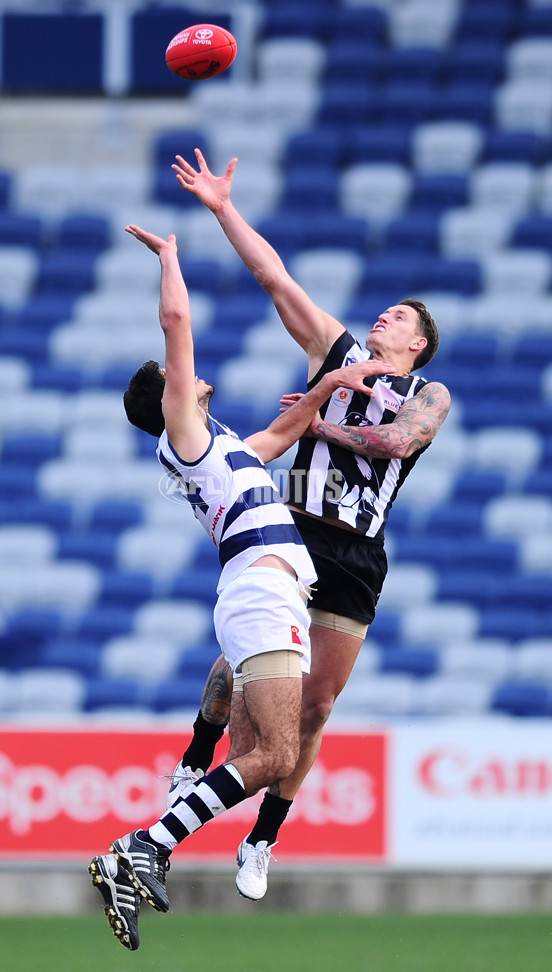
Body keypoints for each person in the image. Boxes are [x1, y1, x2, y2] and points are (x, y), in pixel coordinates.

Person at [88, 223, 393, 951]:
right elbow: (177, 321)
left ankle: (151, 842)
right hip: (263, 589)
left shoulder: (222, 448)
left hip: (261, 593)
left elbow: (284, 433)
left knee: (264, 753)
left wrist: (329, 385)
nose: (189, 372)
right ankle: (144, 845)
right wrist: (169, 258)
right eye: (176, 376)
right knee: (276, 756)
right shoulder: (186, 430)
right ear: (167, 398)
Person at [165, 148, 452, 901]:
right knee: (248, 661)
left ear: (417, 343)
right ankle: (194, 757)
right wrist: (224, 209)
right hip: (293, 527)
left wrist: (318, 426)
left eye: (400, 317)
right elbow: (275, 279)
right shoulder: (341, 352)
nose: (383, 315)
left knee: (317, 704)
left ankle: (264, 837)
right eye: (384, 311)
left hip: (357, 552)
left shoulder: (429, 392)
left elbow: (397, 443)